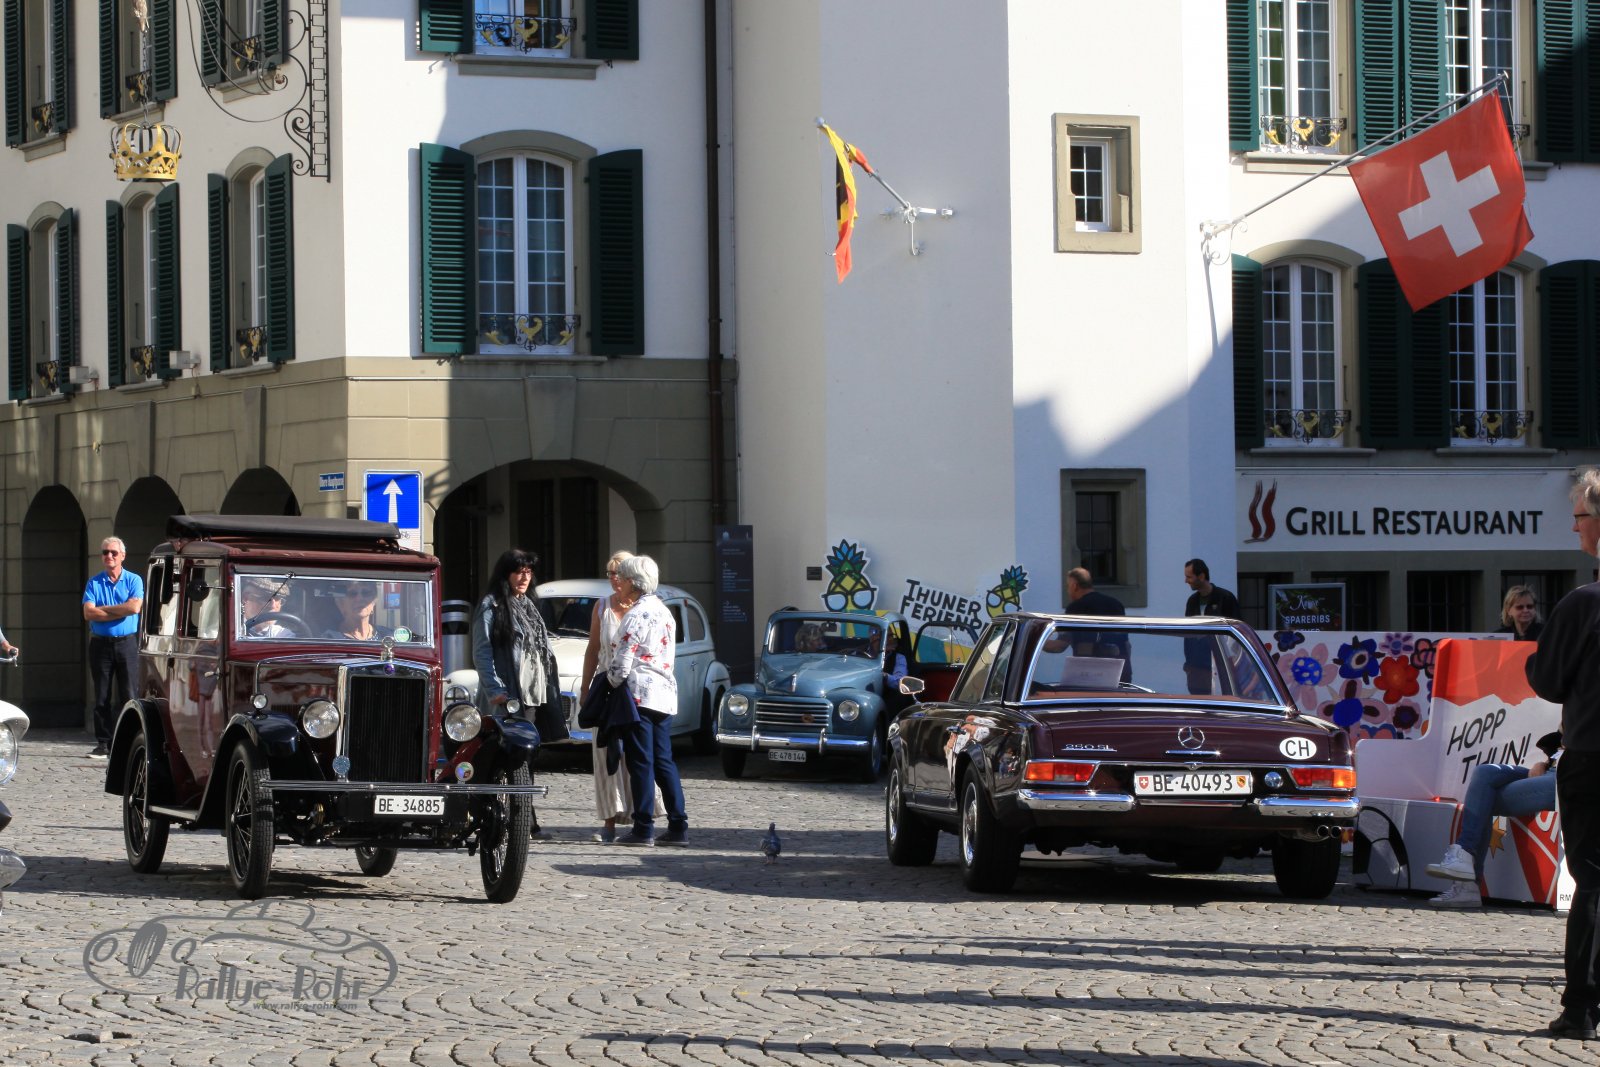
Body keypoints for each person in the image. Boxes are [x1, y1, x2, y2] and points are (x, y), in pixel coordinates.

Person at [1526, 468, 1600, 1040]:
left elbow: (1548, 680)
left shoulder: (1583, 604)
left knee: (1593, 882)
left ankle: (1581, 1009)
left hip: (1593, 756)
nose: (1573, 527)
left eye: (1578, 516)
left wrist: (1536, 658)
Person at [471, 549, 558, 839]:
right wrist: (495, 689)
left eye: (528, 572)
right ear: (505, 574)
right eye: (519, 571)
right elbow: (482, 652)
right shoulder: (492, 605)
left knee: (526, 757)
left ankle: (524, 820)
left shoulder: (529, 605)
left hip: (531, 695)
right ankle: (504, 818)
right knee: (503, 757)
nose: (524, 577)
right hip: (507, 696)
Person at [607, 555, 689, 847]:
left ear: (633, 582)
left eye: (623, 578)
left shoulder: (636, 614)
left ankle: (643, 828)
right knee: (664, 760)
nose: (620, 582)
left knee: (641, 761)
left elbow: (622, 663)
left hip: (639, 695)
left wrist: (609, 682)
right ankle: (678, 825)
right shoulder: (665, 612)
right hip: (664, 695)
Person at [1424, 735, 1560, 908]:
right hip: (1551, 771)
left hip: (1568, 777)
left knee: (1483, 798)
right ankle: (1464, 857)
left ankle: (1468, 881)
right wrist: (1544, 764)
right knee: (1485, 772)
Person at [580, 550, 638, 844]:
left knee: (636, 754)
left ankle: (643, 817)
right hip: (605, 688)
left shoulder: (644, 606)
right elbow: (593, 649)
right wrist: (585, 688)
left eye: (619, 573)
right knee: (605, 754)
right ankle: (609, 821)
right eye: (610, 573)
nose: (614, 579)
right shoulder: (602, 606)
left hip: (636, 689)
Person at [83, 536, 144, 759]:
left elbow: (134, 608)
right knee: (101, 696)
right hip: (100, 645)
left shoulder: (134, 580)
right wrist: (120, 609)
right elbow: (88, 613)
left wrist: (104, 609)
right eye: (105, 552)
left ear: (122, 556)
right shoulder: (94, 583)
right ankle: (103, 743)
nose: (109, 556)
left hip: (126, 643)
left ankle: (129, 741)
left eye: (113, 553)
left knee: (129, 695)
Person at [1183, 558, 1239, 695]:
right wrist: (1188, 663)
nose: (1186, 581)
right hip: (1197, 667)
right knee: (1198, 699)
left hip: (1221, 665)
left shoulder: (1225, 598)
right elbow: (1187, 634)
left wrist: (1232, 663)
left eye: (1189, 577)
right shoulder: (1192, 601)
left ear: (1201, 576)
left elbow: (1237, 631)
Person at [322, 580, 393, 641]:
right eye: (352, 594)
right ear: (340, 604)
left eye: (366, 593)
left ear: (374, 602)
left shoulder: (388, 636)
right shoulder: (328, 639)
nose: (359, 598)